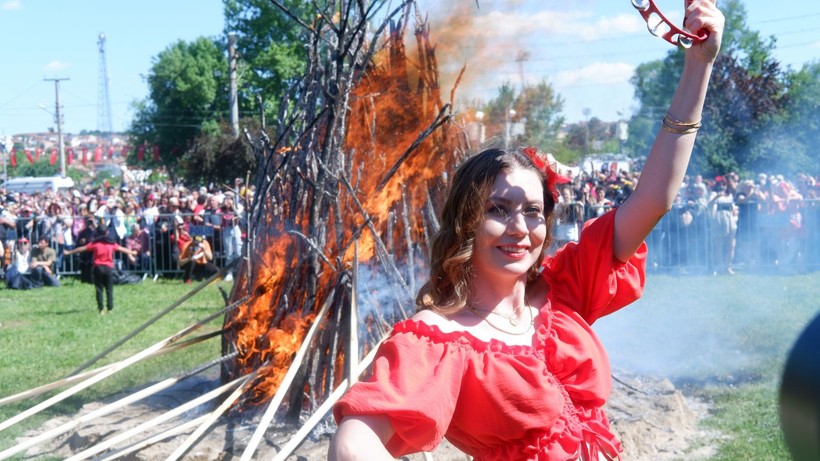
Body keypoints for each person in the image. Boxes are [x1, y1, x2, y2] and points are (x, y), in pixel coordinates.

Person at [329, 2, 724, 460]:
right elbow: (354, 444)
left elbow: (653, 200)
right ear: (466, 221)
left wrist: (699, 64)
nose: (520, 227)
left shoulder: (564, 292)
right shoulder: (438, 338)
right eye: (499, 209)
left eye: (533, 212)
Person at [64, 227, 136, 314]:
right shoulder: (111, 244)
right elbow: (122, 249)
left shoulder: (95, 244)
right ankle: (110, 308)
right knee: (109, 289)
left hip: (98, 268)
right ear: (107, 233)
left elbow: (81, 249)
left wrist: (69, 252)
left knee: (99, 289)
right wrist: (132, 253)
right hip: (108, 268)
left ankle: (101, 309)